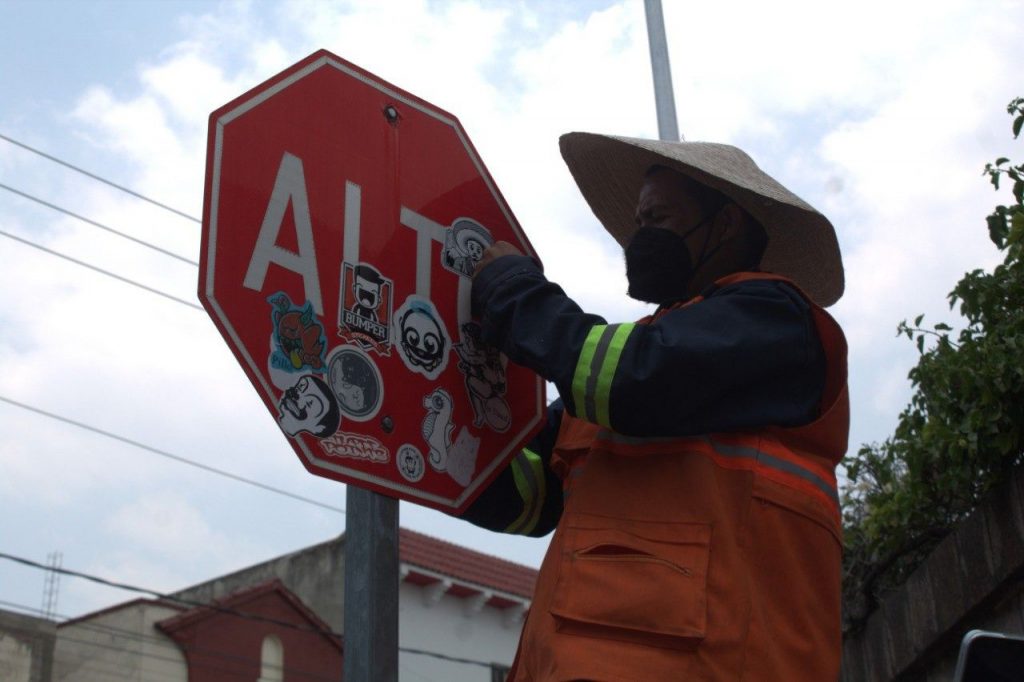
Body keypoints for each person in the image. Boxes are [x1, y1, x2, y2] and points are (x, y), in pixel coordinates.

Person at [461, 132, 849, 681]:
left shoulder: (776, 318)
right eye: (639, 225)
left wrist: (512, 291)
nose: (640, 238)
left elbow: (637, 378)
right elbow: (526, 498)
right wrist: (434, 430)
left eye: (658, 220)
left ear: (728, 222)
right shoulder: (608, 373)